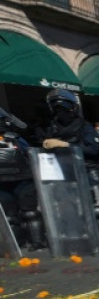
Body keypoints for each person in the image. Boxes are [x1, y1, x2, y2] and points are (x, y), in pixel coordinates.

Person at [37, 89, 99, 251]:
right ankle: (75, 239)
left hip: (88, 170)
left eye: (64, 108)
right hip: (65, 172)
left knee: (98, 209)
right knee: (67, 209)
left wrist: (66, 145)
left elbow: (93, 150)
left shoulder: (85, 127)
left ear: (73, 108)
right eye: (56, 108)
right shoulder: (52, 128)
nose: (61, 112)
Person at [0, 107, 45, 250]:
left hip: (23, 180)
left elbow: (29, 153)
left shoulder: (14, 138)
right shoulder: (15, 137)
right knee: (10, 217)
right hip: (6, 183)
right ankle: (19, 244)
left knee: (29, 213)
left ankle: (36, 242)